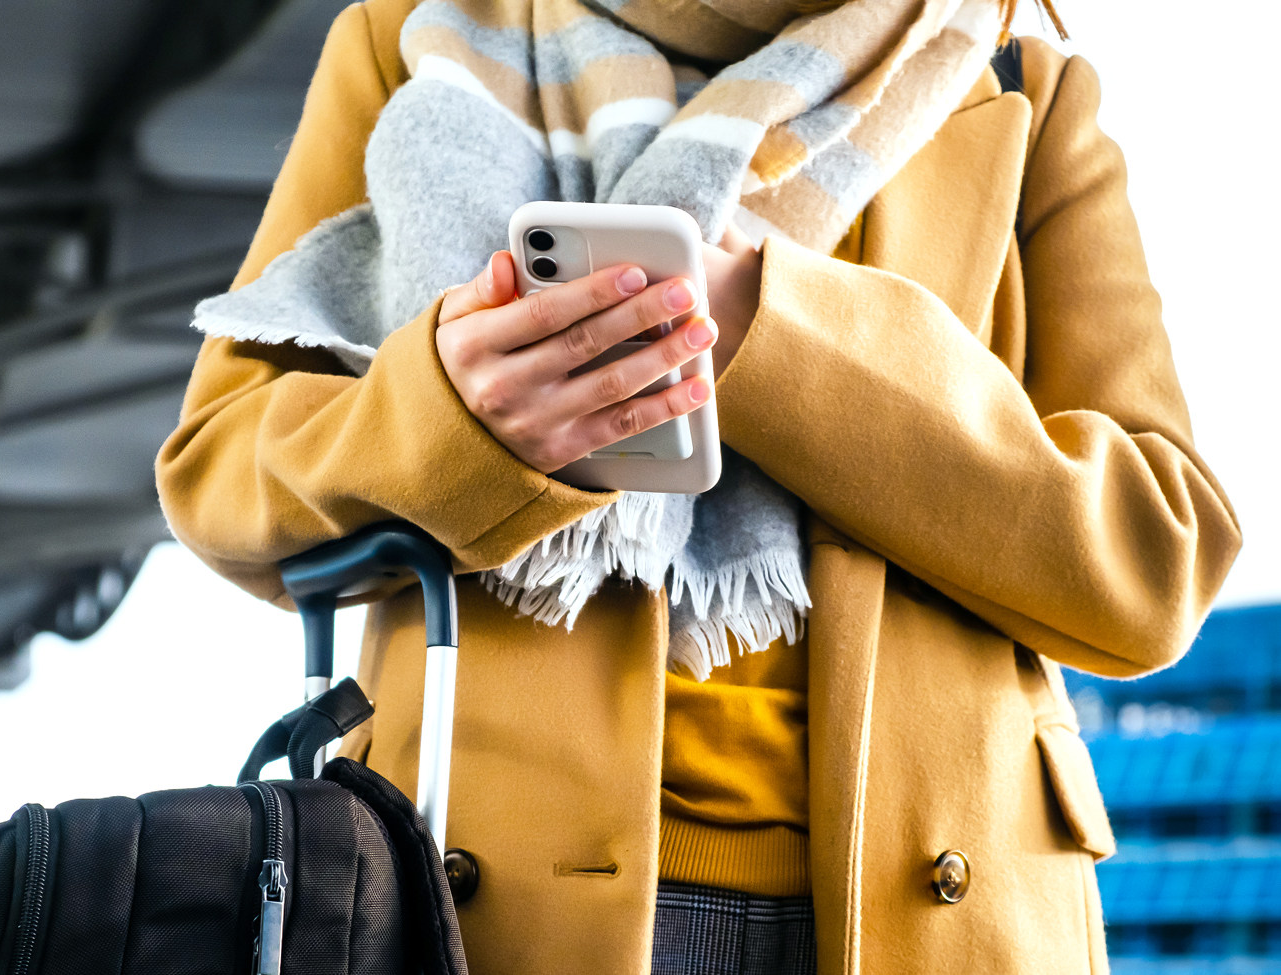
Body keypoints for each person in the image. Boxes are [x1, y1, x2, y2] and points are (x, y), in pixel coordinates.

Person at [156, 0, 1242, 971]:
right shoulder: (408, 35)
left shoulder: (1009, 76)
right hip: (478, 907)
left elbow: (1156, 556)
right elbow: (219, 472)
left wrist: (759, 328)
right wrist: (445, 416)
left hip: (940, 913)